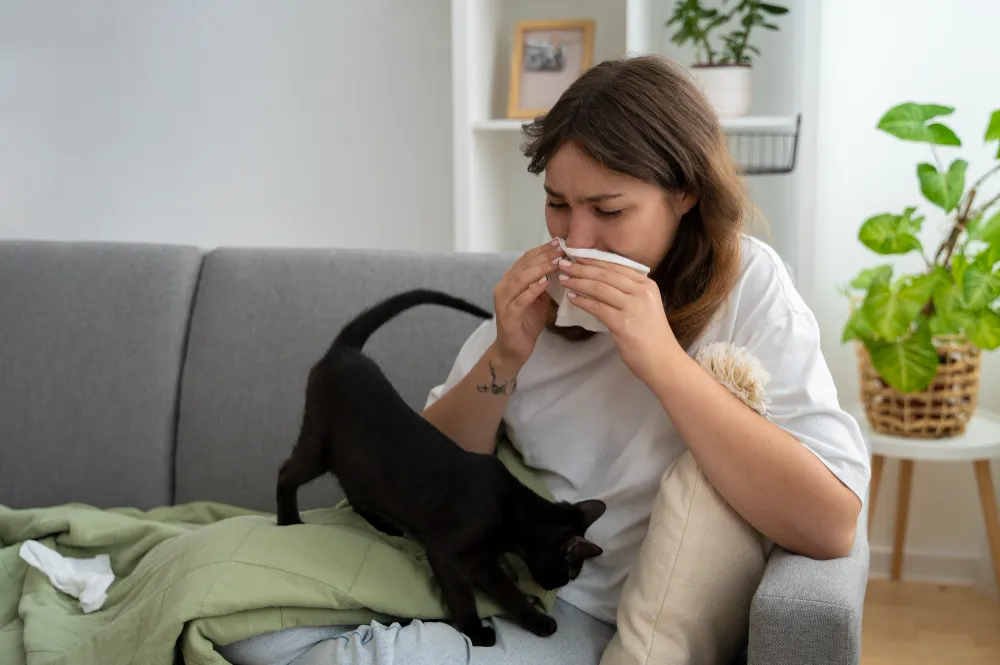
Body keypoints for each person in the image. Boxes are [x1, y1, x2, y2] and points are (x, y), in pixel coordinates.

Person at [219, 54, 870, 665]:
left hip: (579, 608)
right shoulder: (545, 290)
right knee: (245, 627)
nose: (575, 238)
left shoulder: (749, 287)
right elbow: (424, 467)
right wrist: (507, 350)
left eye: (608, 210)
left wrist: (664, 363)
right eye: (558, 203)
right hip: (473, 559)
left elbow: (832, 524)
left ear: (686, 194)